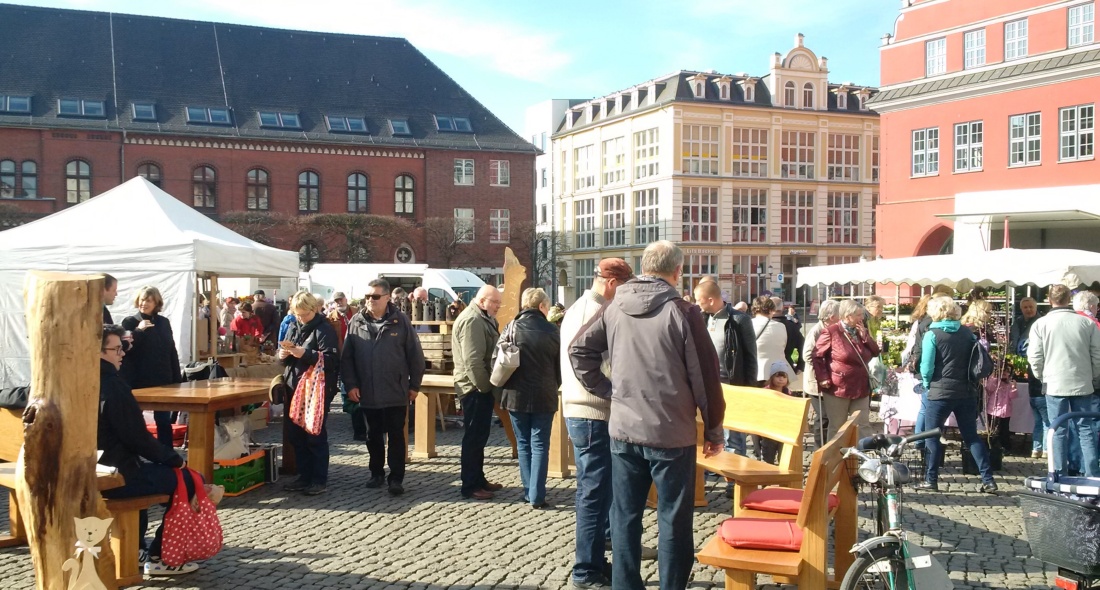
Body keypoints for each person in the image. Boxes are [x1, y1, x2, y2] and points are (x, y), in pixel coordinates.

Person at [571, 240, 724, 590]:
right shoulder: (683, 312)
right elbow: (706, 377)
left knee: (624, 517)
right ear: (677, 271)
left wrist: (610, 391)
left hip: (624, 430)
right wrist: (714, 430)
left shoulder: (614, 306)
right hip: (671, 433)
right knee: (673, 519)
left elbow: (579, 350)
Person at [560, 257, 639, 588]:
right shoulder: (595, 311)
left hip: (583, 411)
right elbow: (593, 362)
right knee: (593, 495)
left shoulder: (580, 306)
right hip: (591, 412)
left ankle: (600, 556)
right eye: (624, 289)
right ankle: (586, 570)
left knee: (594, 493)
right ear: (612, 284)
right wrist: (613, 392)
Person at [98, 324, 198, 576]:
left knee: (147, 472)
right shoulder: (113, 386)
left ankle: (138, 547)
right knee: (190, 480)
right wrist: (174, 459)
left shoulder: (77, 380)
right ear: (98, 352)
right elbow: (137, 438)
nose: (122, 353)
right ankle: (160, 556)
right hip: (113, 474)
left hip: (92, 468)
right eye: (117, 348)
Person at [341, 279, 424, 495]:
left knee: (397, 436)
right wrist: (350, 385)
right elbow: (346, 358)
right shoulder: (356, 322)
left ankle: (396, 478)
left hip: (396, 391)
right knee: (372, 435)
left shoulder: (400, 321)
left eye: (375, 296)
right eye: (367, 296)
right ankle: (376, 473)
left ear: (387, 297)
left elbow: (415, 356)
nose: (370, 300)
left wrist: (414, 385)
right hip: (367, 391)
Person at [917, 295, 998, 493]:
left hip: (940, 392)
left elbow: (926, 367)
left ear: (936, 312)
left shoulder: (932, 334)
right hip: (966, 391)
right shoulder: (968, 333)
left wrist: (927, 385)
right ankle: (988, 480)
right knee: (971, 437)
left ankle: (931, 479)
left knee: (932, 436)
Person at [1028, 284, 1100, 478]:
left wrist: (1042, 376)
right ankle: (1093, 474)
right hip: (1082, 382)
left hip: (1054, 383)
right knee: (1086, 429)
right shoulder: (1087, 323)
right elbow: (1097, 355)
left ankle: (1059, 473)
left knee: (1058, 429)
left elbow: (1034, 356)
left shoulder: (1040, 324)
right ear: (1069, 299)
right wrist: (1093, 377)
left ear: (1049, 299)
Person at [499, 288, 561, 509]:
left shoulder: (511, 327)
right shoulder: (553, 331)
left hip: (516, 394)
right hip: (544, 394)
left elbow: (498, 360)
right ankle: (537, 494)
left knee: (523, 443)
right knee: (540, 444)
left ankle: (528, 491)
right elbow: (559, 368)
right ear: (542, 306)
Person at [280, 290, 339, 495]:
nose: (300, 317)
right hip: (294, 387)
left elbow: (331, 360)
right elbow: (288, 357)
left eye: (304, 314)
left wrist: (305, 353)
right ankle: (304, 476)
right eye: (297, 314)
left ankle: (318, 479)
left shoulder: (324, 329)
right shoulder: (294, 325)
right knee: (296, 434)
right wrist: (283, 354)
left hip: (316, 390)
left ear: (314, 309)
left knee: (314, 433)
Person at [694, 279, 757, 456]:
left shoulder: (739, 319)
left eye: (700, 300)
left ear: (711, 300)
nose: (697, 304)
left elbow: (751, 356)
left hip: (733, 383)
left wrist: (749, 389)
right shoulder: (702, 318)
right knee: (711, 430)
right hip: (708, 385)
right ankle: (712, 468)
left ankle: (734, 479)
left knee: (734, 434)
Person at [452, 284, 504, 500]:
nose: (498, 307)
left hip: (478, 386)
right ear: (482, 301)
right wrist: (485, 388)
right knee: (474, 438)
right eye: (495, 303)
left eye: (499, 303)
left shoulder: (482, 317)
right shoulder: (473, 320)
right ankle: (471, 485)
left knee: (480, 437)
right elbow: (473, 361)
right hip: (474, 387)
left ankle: (478, 479)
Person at [120, 286, 182, 450]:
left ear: (156, 302)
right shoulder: (129, 322)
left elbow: (171, 350)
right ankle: (136, 453)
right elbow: (126, 348)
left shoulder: (163, 322)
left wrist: (177, 378)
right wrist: (138, 330)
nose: (144, 303)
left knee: (163, 420)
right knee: (135, 421)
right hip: (138, 381)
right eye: (142, 299)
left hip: (162, 380)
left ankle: (167, 453)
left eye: (148, 300)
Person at [812, 299, 879, 439]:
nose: (862, 318)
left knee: (863, 424)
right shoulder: (832, 331)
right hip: (839, 386)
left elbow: (875, 352)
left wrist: (865, 336)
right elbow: (817, 355)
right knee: (837, 426)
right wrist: (823, 377)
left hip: (861, 385)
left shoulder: (861, 330)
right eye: (859, 315)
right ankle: (833, 458)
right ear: (848, 316)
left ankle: (864, 455)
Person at [1009, 296, 1047, 458]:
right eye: (1025, 307)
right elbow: (1013, 342)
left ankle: (1040, 447)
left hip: (1035, 371)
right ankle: (1040, 448)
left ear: (1036, 307)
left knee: (1042, 418)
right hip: (1023, 370)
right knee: (1042, 418)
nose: (1028, 310)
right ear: (1021, 308)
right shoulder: (1017, 322)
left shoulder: (1041, 322)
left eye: (1031, 307)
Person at [801, 299, 840, 449]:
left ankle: (827, 446)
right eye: (839, 315)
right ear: (831, 317)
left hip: (828, 381)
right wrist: (825, 370)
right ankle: (819, 448)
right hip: (816, 382)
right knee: (822, 417)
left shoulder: (832, 329)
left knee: (828, 417)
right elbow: (807, 355)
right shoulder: (816, 331)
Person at [771, 296, 804, 380]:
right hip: (786, 366)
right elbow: (802, 345)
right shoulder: (791, 325)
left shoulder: (764, 325)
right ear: (782, 308)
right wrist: (801, 365)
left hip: (766, 367)